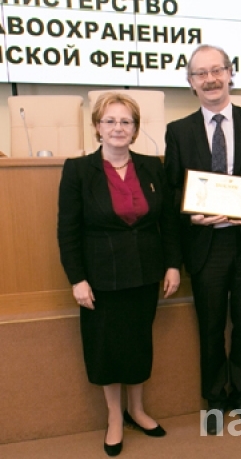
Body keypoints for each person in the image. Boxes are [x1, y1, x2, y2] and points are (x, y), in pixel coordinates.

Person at [163, 44, 241, 434]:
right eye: (201, 73)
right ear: (191, 82)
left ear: (230, 74)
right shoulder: (178, 131)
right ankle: (215, 399)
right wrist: (191, 212)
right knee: (211, 326)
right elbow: (171, 191)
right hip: (206, 246)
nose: (210, 79)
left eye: (217, 70)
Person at [57, 92, 181, 457]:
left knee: (139, 343)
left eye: (126, 121)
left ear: (136, 129)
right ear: (97, 127)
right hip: (100, 278)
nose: (118, 127)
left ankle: (137, 411)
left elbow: (168, 222)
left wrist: (173, 264)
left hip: (145, 273)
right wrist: (77, 279)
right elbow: (68, 231)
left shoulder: (152, 167)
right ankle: (114, 417)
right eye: (110, 121)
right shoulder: (78, 170)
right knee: (106, 349)